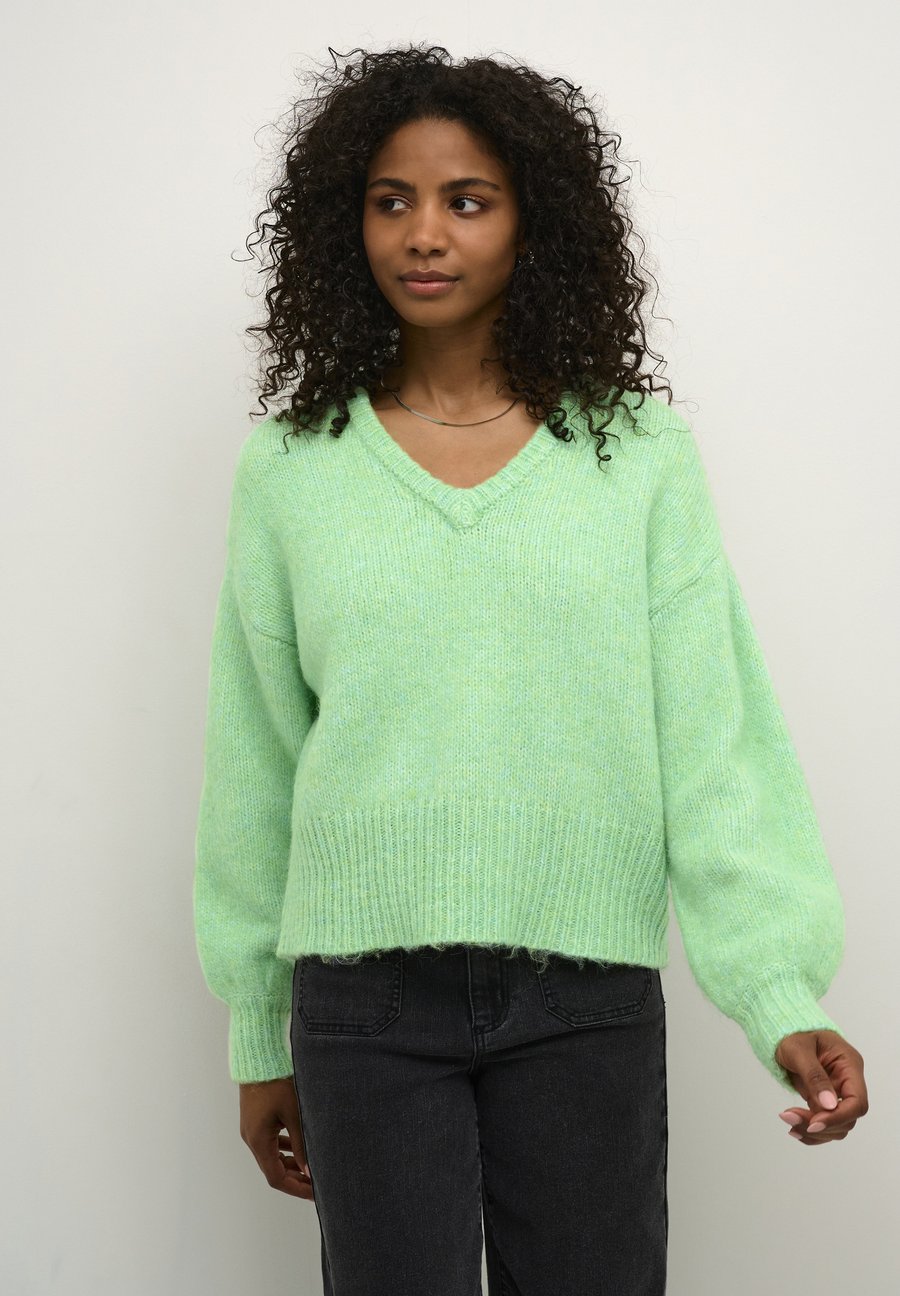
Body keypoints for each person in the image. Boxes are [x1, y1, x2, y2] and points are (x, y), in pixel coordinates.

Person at [193, 43, 868, 1296]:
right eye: (390, 200)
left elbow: (713, 743)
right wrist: (255, 1030)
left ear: (532, 222)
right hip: (362, 1007)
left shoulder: (638, 457)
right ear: (347, 223)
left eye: (468, 200)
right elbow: (257, 761)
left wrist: (778, 991)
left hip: (585, 999)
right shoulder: (292, 469)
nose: (423, 234)